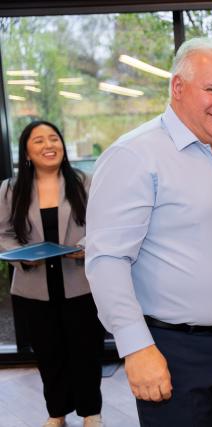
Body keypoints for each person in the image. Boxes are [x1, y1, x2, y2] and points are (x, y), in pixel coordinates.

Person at [85, 37, 212, 427]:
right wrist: (136, 347)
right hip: (169, 349)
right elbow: (107, 260)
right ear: (177, 87)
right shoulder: (134, 157)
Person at [0, 121, 104, 427]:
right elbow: (3, 233)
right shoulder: (10, 189)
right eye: (39, 141)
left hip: (80, 284)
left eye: (54, 138)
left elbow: (104, 224)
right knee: (49, 354)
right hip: (33, 287)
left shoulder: (85, 181)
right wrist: (21, 256)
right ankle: (56, 412)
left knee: (86, 351)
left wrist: (86, 245)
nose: (49, 145)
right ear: (27, 152)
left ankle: (91, 413)